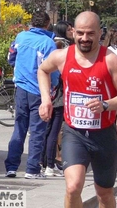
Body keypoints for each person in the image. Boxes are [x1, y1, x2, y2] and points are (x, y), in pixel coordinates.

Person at [38, 11, 117, 207]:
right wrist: (46, 99)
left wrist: (106, 105)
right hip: (75, 133)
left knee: (104, 193)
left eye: (90, 33)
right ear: (72, 32)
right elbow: (42, 70)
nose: (84, 38)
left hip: (104, 136)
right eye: (80, 33)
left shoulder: (110, 60)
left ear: (100, 33)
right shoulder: (62, 56)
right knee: (73, 187)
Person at [4, 11, 59, 179]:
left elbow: (10, 57)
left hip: (20, 88)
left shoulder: (21, 37)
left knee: (19, 128)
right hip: (39, 91)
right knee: (37, 131)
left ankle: (11, 167)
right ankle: (32, 169)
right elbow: (53, 71)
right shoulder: (48, 43)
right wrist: (53, 88)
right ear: (47, 24)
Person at [40, 20, 73, 177]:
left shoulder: (51, 43)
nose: (71, 31)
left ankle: (45, 162)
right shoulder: (62, 47)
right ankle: (50, 165)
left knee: (47, 131)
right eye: (69, 29)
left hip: (48, 93)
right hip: (57, 94)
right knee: (54, 131)